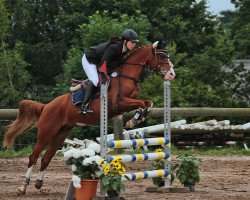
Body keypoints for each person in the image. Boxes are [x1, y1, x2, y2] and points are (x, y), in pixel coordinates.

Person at [79, 29, 139, 114]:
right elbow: (104, 64)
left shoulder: (124, 50)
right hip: (90, 60)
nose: (134, 45)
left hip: (99, 62)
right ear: (125, 41)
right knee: (95, 80)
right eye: (132, 42)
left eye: (135, 43)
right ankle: (83, 106)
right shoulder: (114, 47)